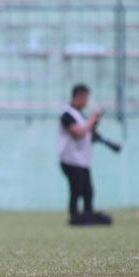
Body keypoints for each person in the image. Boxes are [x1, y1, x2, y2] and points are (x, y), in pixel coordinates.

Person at [58, 84, 115, 226]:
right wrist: (92, 119)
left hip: (83, 160)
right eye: (85, 97)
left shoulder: (79, 115)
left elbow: (89, 135)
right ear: (78, 96)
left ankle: (88, 217)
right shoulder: (67, 114)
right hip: (71, 160)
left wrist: (93, 123)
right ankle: (74, 218)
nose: (87, 101)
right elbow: (78, 133)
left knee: (88, 191)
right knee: (76, 190)